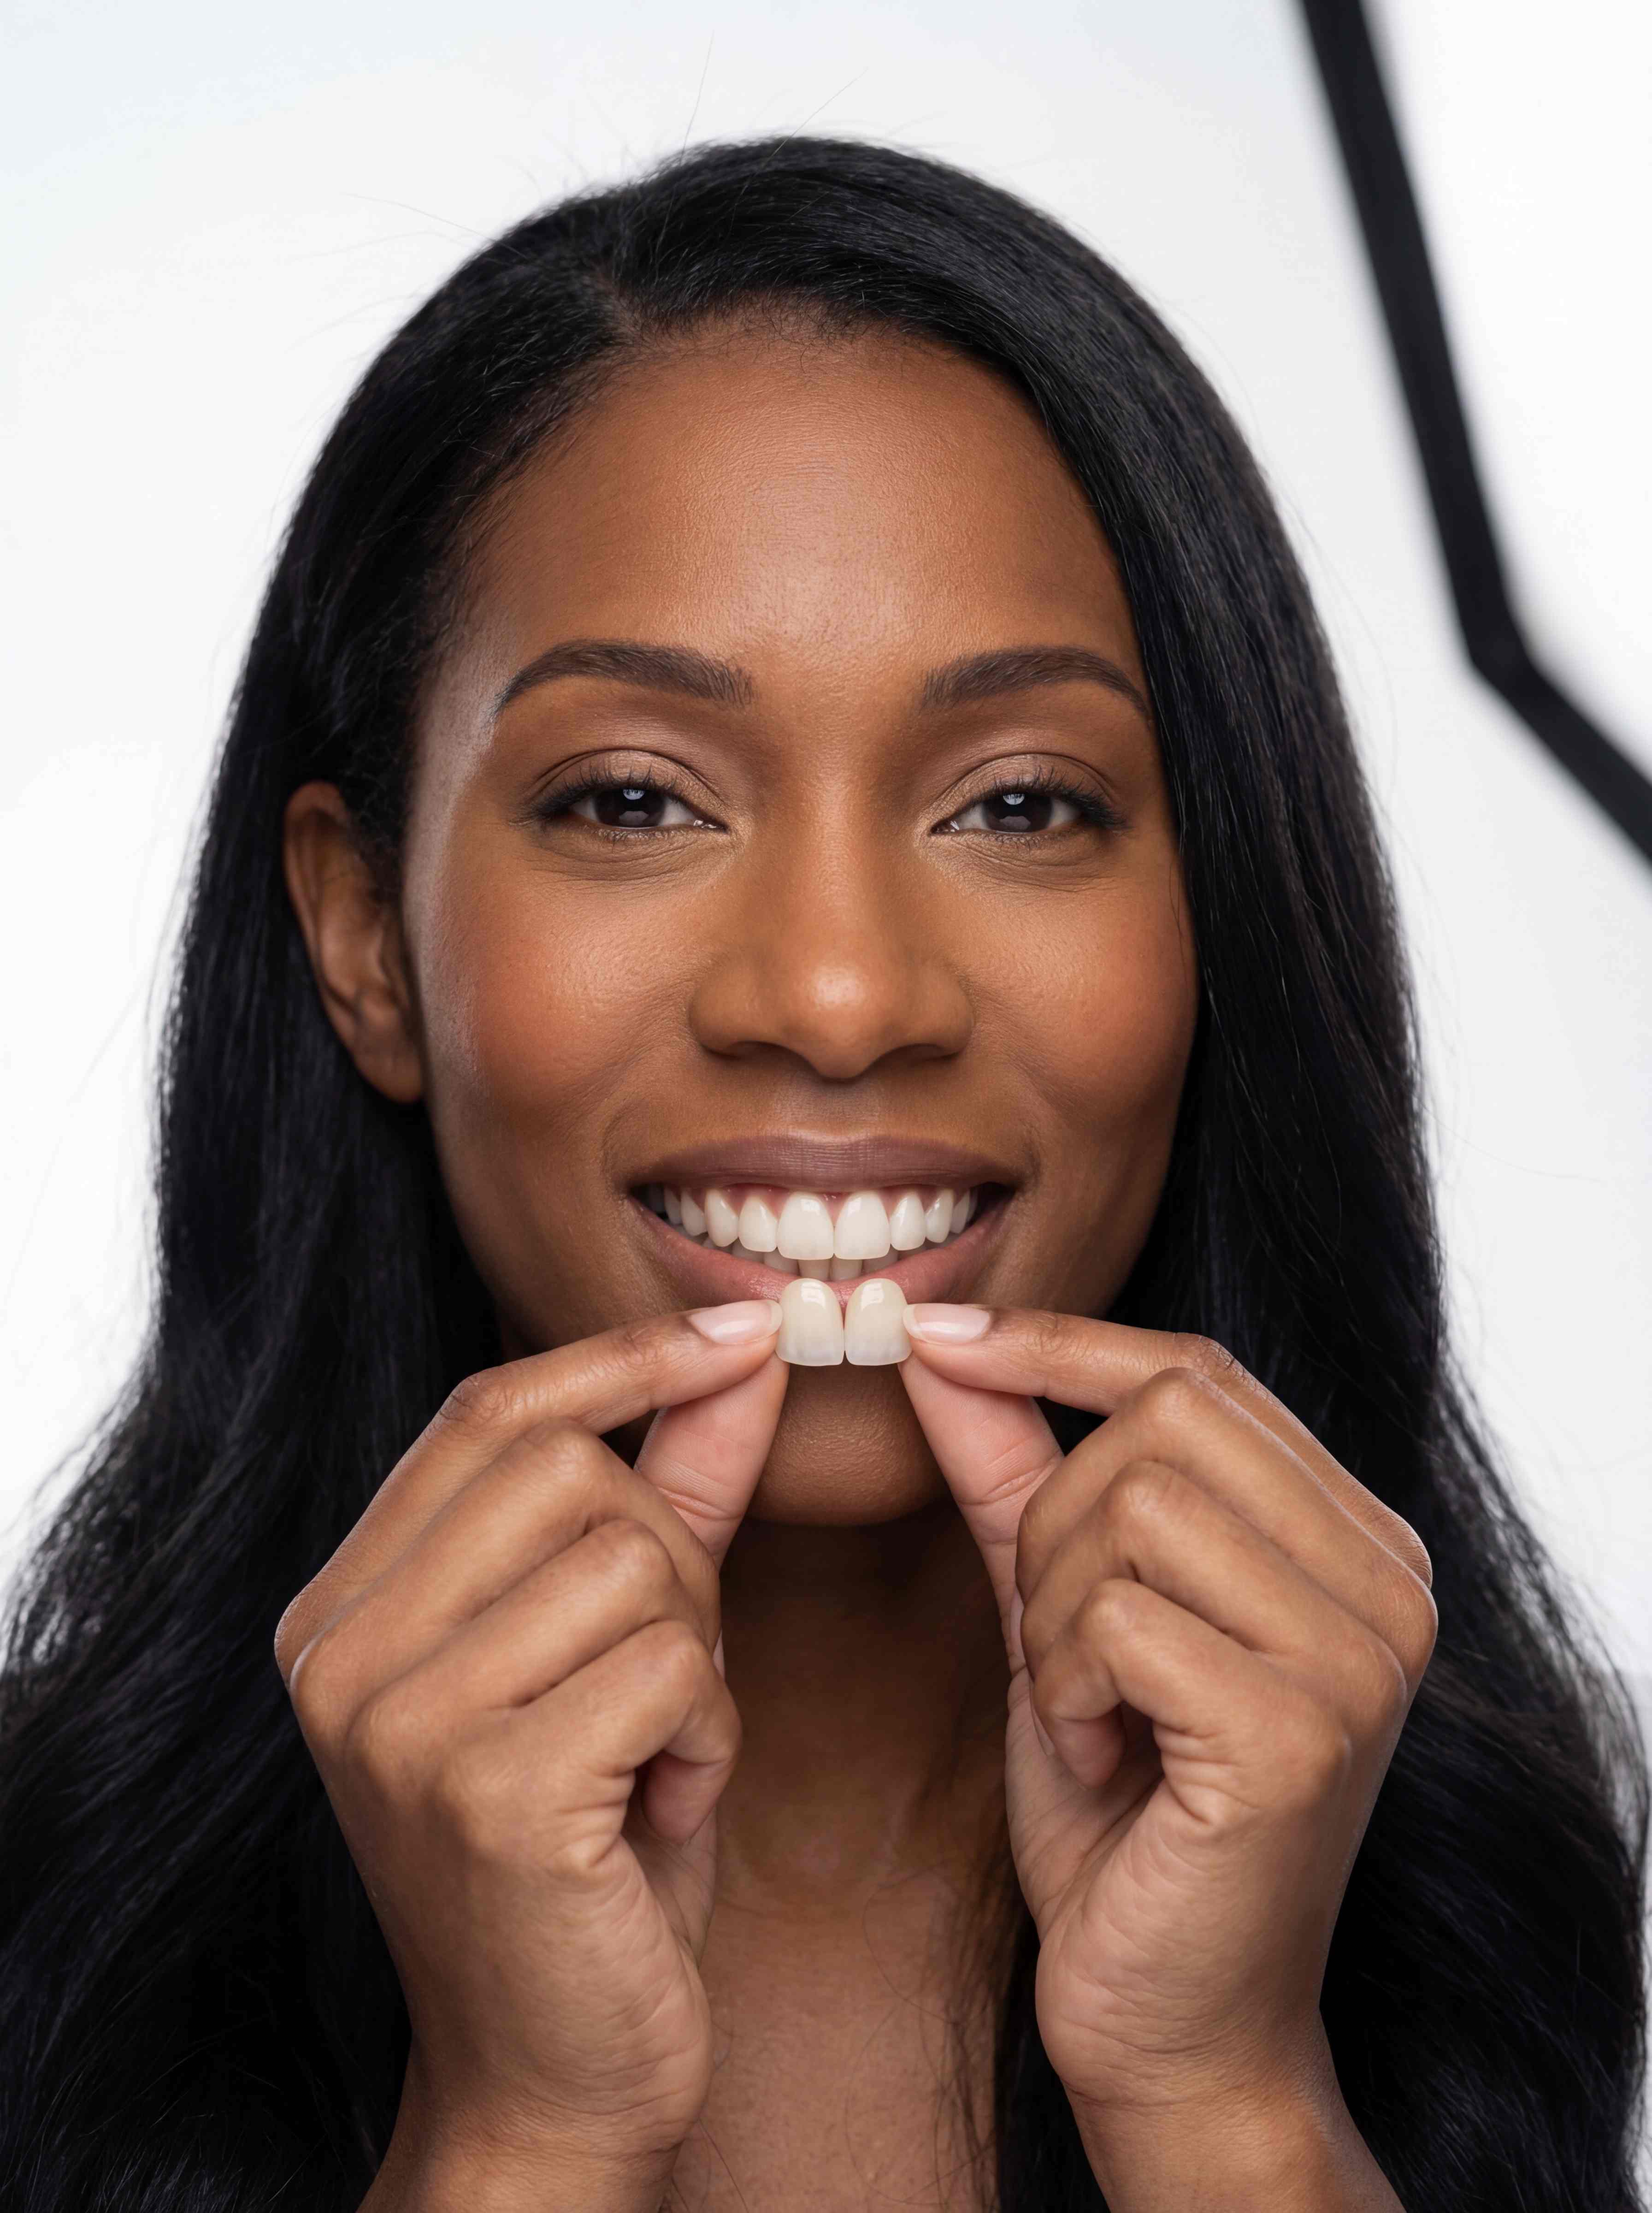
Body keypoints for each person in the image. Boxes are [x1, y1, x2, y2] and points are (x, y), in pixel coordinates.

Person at [0, 135, 1644, 2213]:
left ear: (1221, 911)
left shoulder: (1487, 1887)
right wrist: (517, 2140)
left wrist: (1226, 2102)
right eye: (630, 799)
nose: (844, 994)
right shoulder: (38, 1915)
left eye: (1023, 803)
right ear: (358, 940)